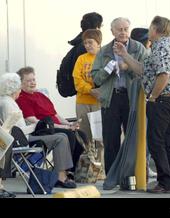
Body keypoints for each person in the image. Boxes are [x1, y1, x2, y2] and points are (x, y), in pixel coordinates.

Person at [115, 16, 170, 194]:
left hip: (161, 100)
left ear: (155, 29)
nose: (148, 33)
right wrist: (125, 55)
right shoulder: (164, 46)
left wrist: (153, 97)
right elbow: (144, 70)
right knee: (167, 141)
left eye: (150, 28)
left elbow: (163, 75)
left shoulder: (161, 48)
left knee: (156, 142)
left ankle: (165, 181)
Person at [0, 73, 77, 189]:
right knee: (61, 137)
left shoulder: (7, 102)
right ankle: (61, 176)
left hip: (21, 137)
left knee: (62, 136)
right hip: (21, 139)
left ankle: (61, 175)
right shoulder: (8, 104)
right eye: (19, 87)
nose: (20, 91)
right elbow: (17, 130)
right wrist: (38, 125)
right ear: (14, 88)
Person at [91, 18, 146, 175]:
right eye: (119, 29)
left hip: (132, 98)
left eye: (126, 29)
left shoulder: (138, 48)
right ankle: (111, 175)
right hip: (111, 98)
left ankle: (133, 174)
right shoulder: (105, 51)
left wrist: (127, 67)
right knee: (110, 139)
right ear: (112, 31)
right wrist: (108, 69)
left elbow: (146, 72)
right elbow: (95, 78)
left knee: (134, 138)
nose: (123, 32)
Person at [16, 67, 87, 174]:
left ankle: (73, 170)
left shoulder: (41, 95)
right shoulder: (22, 98)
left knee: (81, 135)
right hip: (41, 129)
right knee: (69, 135)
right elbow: (34, 121)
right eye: (28, 81)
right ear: (21, 83)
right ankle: (63, 172)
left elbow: (56, 115)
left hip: (55, 127)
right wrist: (65, 127)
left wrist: (70, 123)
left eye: (33, 80)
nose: (32, 83)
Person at [72, 29, 105, 178]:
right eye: (85, 43)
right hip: (83, 101)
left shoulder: (104, 57)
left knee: (100, 137)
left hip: (99, 103)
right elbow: (77, 81)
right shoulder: (81, 59)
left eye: (90, 42)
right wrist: (91, 90)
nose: (87, 45)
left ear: (98, 43)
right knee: (85, 136)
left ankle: (101, 169)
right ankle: (89, 168)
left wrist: (99, 92)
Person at [129, 27, 158, 179]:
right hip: (140, 99)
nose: (150, 42)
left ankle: (144, 165)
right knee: (142, 134)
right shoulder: (143, 54)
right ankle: (142, 166)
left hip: (141, 98)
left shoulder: (144, 53)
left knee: (142, 134)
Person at [59, 12, 103, 97]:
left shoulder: (79, 43)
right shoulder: (86, 48)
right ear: (97, 27)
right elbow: (85, 75)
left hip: (79, 91)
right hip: (86, 95)